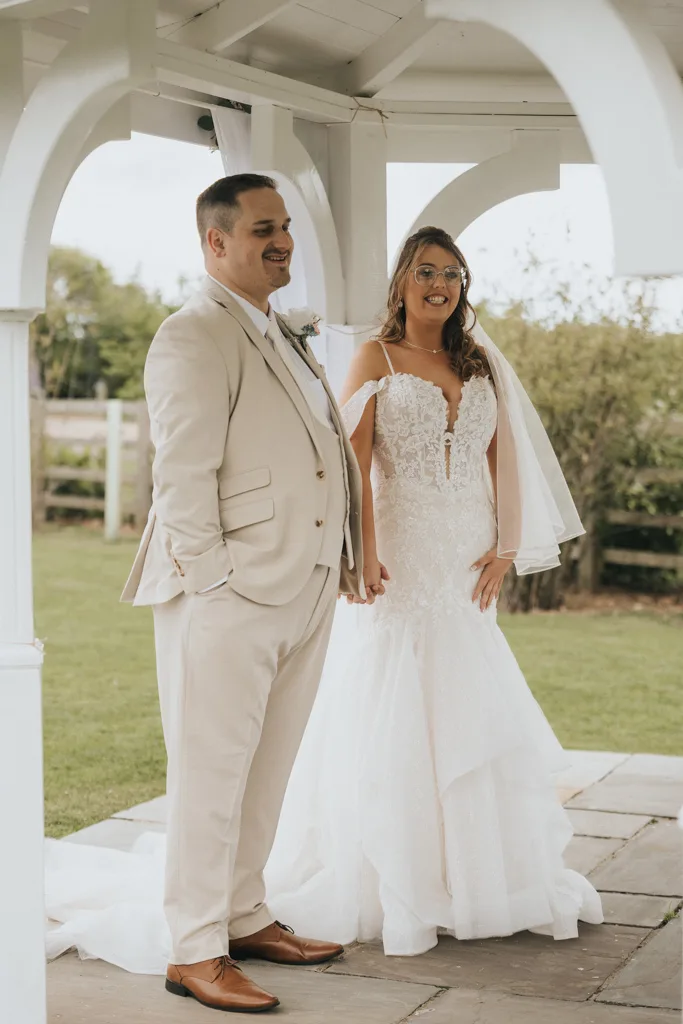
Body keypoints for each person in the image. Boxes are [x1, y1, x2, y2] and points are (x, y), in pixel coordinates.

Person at [264, 226, 604, 956]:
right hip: (403, 553)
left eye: (451, 273)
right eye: (425, 271)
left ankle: (480, 876)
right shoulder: (374, 357)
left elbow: (502, 458)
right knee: (394, 704)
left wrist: (506, 546)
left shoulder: (477, 362)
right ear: (401, 282)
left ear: (462, 287)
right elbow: (352, 463)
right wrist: (364, 553)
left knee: (468, 706)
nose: (439, 284)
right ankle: (393, 877)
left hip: (464, 557)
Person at [115, 173, 365, 1012]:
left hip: (303, 584)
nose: (283, 240)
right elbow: (182, 474)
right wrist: (215, 581)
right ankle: (193, 950)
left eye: (284, 226)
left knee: (267, 766)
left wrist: (343, 556)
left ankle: (243, 912)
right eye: (264, 228)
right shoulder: (191, 335)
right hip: (228, 591)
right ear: (215, 242)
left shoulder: (276, 330)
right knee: (209, 773)